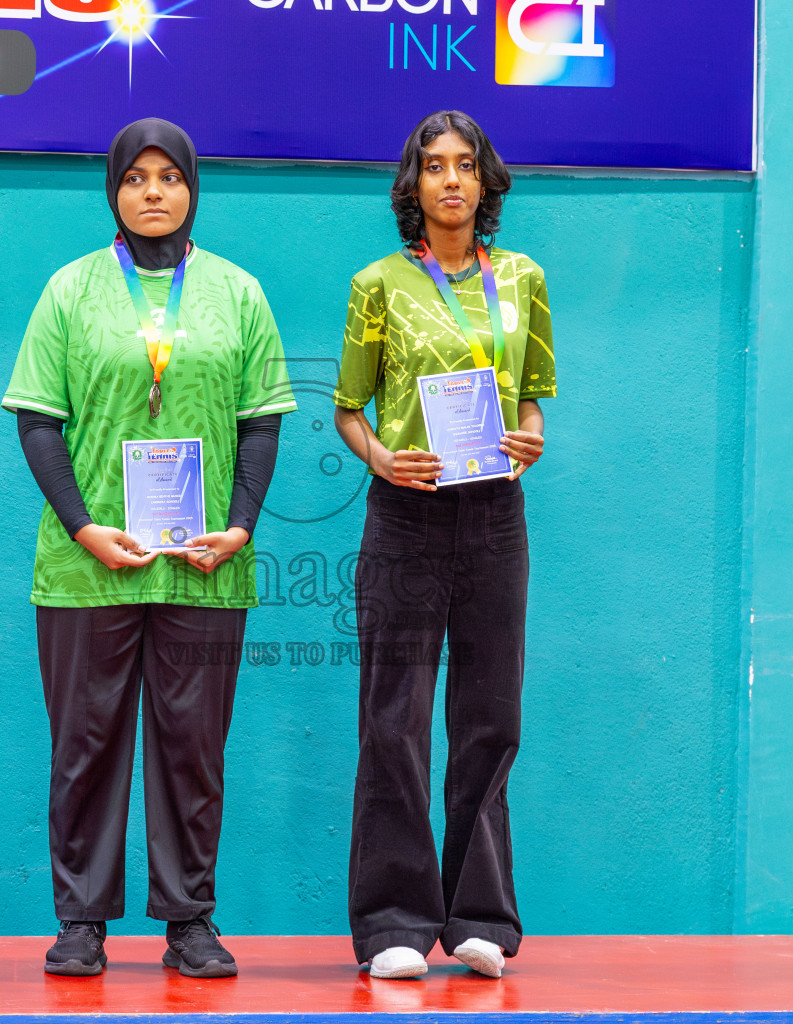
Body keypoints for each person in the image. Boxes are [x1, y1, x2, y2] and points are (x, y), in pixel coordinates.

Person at [2, 117, 297, 979]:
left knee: (192, 747)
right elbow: (38, 422)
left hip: (204, 565)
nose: (154, 192)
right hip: (86, 566)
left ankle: (190, 920)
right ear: (114, 192)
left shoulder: (238, 293)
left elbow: (261, 424)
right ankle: (81, 920)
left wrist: (240, 525)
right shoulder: (71, 290)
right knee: (85, 744)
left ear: (193, 189)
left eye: (170, 176)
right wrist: (85, 528)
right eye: (137, 178)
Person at [332, 110, 555, 980]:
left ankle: (479, 919)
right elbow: (349, 408)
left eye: (466, 165)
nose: (451, 180)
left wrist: (530, 436)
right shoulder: (378, 284)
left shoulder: (524, 278)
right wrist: (382, 456)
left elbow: (533, 396)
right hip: (408, 513)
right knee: (394, 721)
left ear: (486, 181)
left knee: (490, 717)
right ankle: (392, 921)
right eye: (434, 166)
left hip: (496, 511)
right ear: (413, 185)